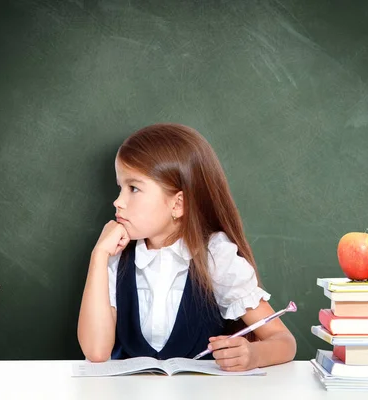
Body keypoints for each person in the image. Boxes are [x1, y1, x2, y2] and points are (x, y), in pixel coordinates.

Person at [78, 123, 296, 371]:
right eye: (120, 188)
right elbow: (96, 352)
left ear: (178, 204)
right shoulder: (115, 255)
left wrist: (254, 355)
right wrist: (99, 256)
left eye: (134, 188)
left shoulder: (215, 255)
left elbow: (284, 341)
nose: (118, 202)